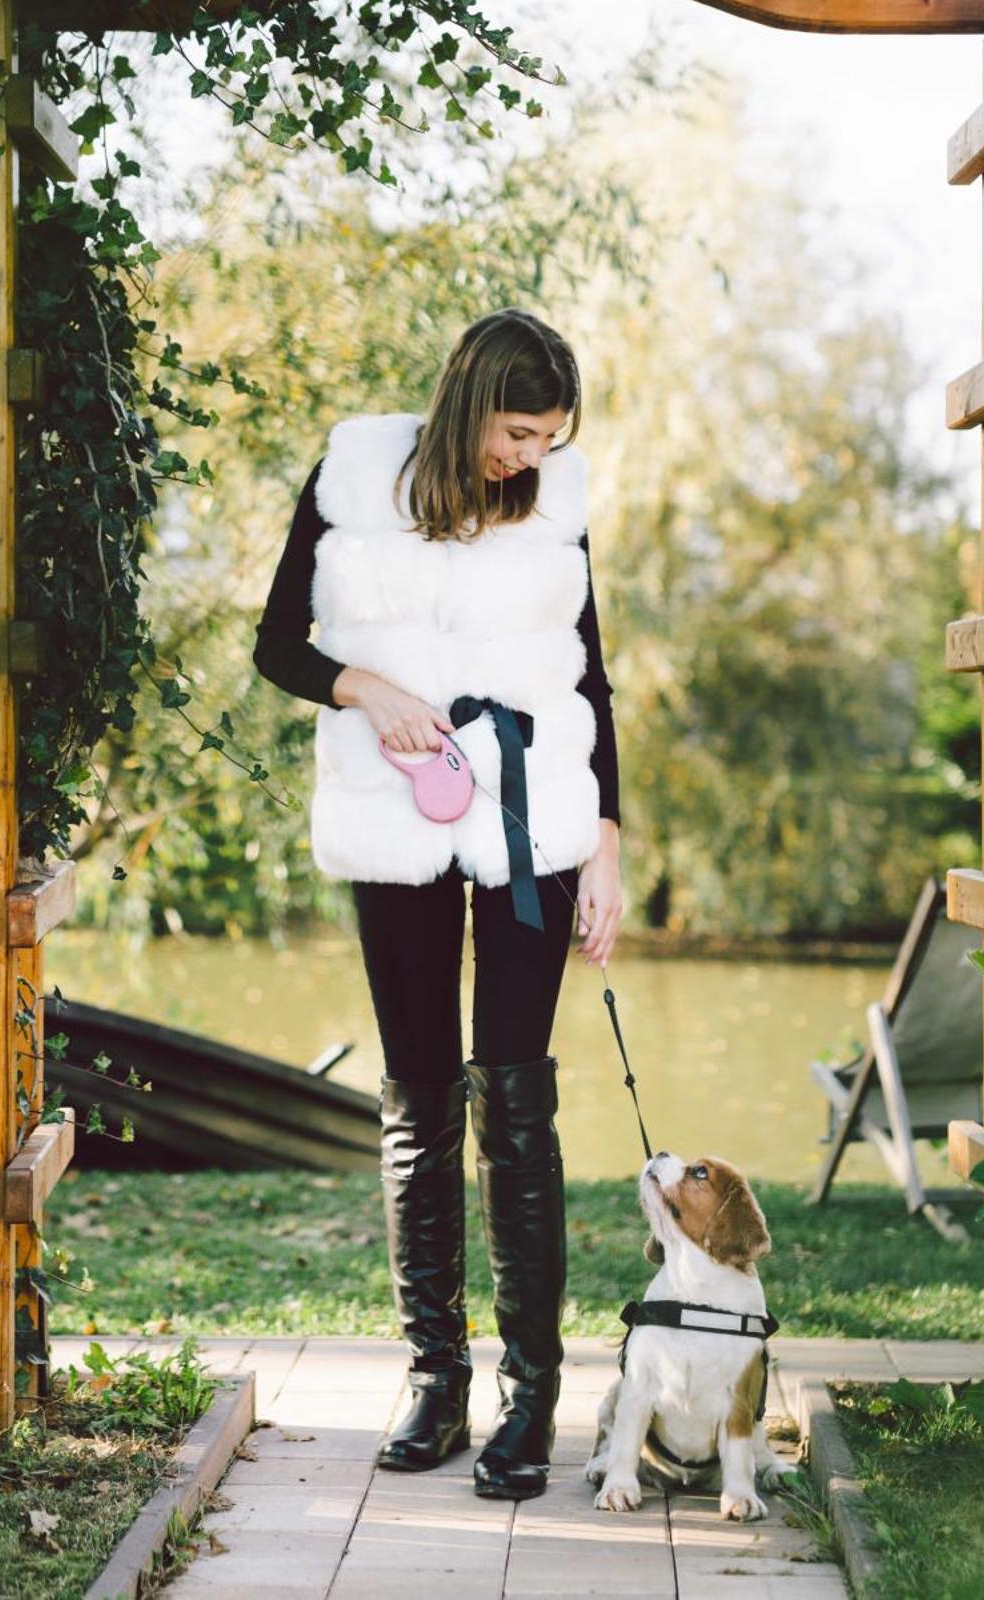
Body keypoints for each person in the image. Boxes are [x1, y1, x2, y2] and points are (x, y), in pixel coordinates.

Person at [252, 307, 624, 1501]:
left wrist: (607, 842)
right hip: (395, 816)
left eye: (551, 435)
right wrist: (362, 682)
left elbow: (592, 676)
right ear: (472, 404)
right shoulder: (355, 478)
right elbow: (275, 644)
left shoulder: (556, 502)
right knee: (418, 1094)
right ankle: (436, 1377)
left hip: (533, 826)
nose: (534, 454)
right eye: (520, 431)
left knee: (517, 1096)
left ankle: (531, 1393)